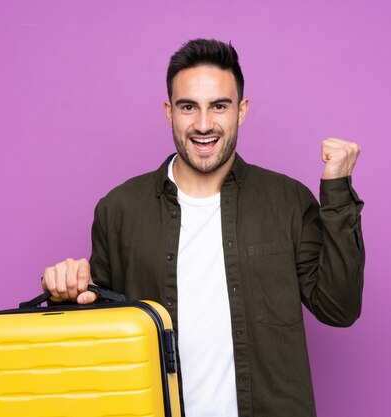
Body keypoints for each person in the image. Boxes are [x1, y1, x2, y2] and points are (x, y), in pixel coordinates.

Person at [42, 39, 364, 417]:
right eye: (188, 107)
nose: (204, 125)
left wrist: (338, 190)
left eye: (219, 106)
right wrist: (67, 293)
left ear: (241, 111)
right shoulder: (119, 210)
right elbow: (96, 343)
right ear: (169, 111)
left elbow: (339, 308)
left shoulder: (289, 201)